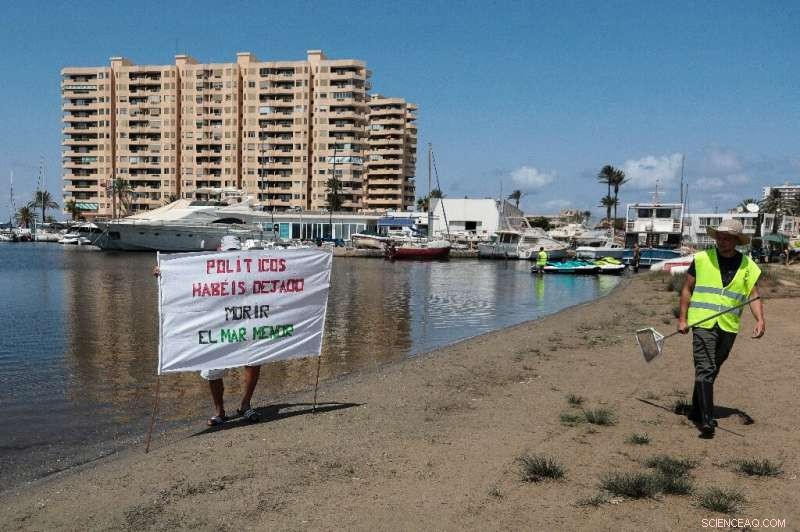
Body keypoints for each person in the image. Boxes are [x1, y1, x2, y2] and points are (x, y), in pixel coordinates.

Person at [153, 237, 263, 427]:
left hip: (244, 323)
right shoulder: (208, 269)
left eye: (235, 251)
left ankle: (245, 405)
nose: (231, 255)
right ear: (220, 251)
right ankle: (220, 411)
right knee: (213, 369)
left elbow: (275, 282)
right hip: (217, 327)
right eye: (228, 252)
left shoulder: (250, 269)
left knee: (254, 361)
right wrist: (166, 274)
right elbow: (186, 284)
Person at [677, 219, 765, 438]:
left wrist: (760, 320)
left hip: (729, 326)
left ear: (736, 241)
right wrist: (682, 319)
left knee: (712, 369)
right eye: (720, 237)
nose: (722, 241)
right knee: (705, 367)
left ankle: (696, 410)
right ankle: (707, 421)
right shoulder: (701, 259)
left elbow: (753, 295)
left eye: (727, 238)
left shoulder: (748, 266)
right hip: (702, 322)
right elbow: (687, 289)